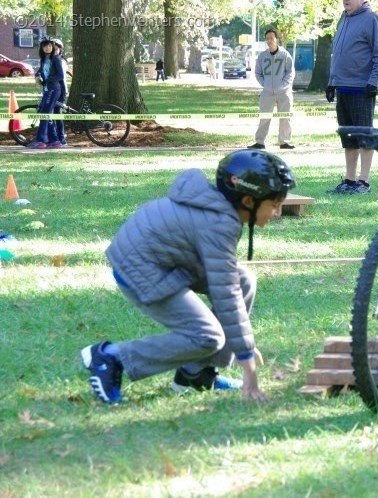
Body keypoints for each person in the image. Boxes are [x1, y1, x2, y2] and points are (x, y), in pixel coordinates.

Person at [80, 150, 296, 404]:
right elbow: (226, 294)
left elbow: (229, 283)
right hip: (140, 267)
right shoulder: (219, 224)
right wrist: (247, 360)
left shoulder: (222, 213)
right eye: (274, 205)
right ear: (248, 200)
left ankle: (195, 374)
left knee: (243, 279)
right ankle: (111, 357)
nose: (278, 213)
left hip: (166, 261)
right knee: (207, 335)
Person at [326, 0, 378, 194]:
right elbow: (337, 55)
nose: (346, 0)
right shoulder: (343, 20)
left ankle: (364, 182)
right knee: (348, 138)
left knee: (364, 137)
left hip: (361, 89)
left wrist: (374, 81)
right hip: (342, 88)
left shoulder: (371, 19)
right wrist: (331, 81)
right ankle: (350, 180)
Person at [249, 28, 295, 150]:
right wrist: (265, 84)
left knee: (285, 117)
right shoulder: (262, 56)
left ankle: (284, 142)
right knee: (264, 117)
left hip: (284, 92)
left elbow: (290, 73)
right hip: (267, 92)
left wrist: (283, 85)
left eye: (272, 38)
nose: (269, 40)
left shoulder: (285, 55)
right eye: (267, 38)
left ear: (277, 39)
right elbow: (258, 73)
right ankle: (260, 142)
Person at [27, 37, 65, 149]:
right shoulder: (44, 59)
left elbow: (60, 75)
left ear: (52, 47)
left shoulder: (56, 58)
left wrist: (47, 80)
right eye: (45, 46)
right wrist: (37, 76)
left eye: (49, 45)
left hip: (53, 89)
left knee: (44, 114)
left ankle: (41, 140)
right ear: (42, 48)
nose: (47, 48)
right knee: (46, 114)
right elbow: (40, 71)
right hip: (47, 90)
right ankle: (54, 140)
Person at [52, 38, 68, 146]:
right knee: (53, 113)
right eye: (53, 49)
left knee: (57, 113)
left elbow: (61, 76)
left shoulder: (60, 60)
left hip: (60, 90)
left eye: (57, 49)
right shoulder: (52, 60)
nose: (55, 50)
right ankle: (55, 136)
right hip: (53, 89)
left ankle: (62, 139)